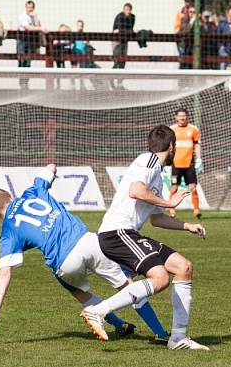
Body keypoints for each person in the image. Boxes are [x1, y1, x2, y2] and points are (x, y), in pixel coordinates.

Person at [0, 164, 167, 339]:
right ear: (12, 197)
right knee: (127, 286)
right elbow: (51, 166)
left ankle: (119, 324)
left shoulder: (8, 231)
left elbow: (5, 272)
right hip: (88, 241)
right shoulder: (32, 192)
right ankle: (159, 332)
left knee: (76, 290)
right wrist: (51, 176)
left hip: (66, 261)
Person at [81, 125, 209, 350]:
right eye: (175, 147)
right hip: (117, 232)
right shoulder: (149, 161)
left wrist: (186, 225)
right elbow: (136, 191)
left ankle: (178, 338)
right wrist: (170, 202)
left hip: (127, 233)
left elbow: (156, 219)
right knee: (160, 279)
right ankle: (97, 311)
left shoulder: (156, 174)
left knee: (183, 267)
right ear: (171, 146)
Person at [169, 109, 203, 219]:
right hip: (176, 165)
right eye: (180, 116)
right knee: (174, 188)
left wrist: (199, 159)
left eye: (184, 116)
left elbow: (197, 145)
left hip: (189, 164)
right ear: (176, 117)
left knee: (193, 188)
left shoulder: (193, 129)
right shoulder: (172, 129)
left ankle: (197, 210)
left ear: (187, 117)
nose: (182, 118)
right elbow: (169, 147)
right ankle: (172, 209)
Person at [17, 0, 45, 68]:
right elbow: (28, 28)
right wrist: (40, 29)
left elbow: (38, 26)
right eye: (28, 7)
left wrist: (35, 17)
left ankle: (26, 77)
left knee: (28, 62)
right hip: (22, 40)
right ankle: (21, 77)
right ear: (25, 7)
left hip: (31, 41)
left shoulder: (34, 17)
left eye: (31, 7)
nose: (30, 9)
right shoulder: (22, 16)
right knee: (21, 61)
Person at [112, 2, 135, 69]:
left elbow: (130, 29)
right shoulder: (120, 16)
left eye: (128, 9)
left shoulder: (132, 17)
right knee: (116, 60)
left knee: (123, 60)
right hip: (116, 39)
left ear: (130, 10)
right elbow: (120, 29)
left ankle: (120, 78)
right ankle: (112, 76)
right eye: (125, 9)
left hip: (125, 40)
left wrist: (129, 31)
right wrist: (128, 31)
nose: (126, 11)